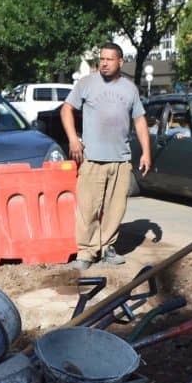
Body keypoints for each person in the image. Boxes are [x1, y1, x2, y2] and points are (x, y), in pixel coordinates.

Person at [61, 43, 151, 270]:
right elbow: (66, 109)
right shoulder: (86, 84)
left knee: (115, 208)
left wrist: (146, 153)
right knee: (88, 208)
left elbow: (139, 120)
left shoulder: (130, 89)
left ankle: (108, 246)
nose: (104, 63)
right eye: (102, 58)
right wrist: (73, 139)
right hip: (92, 159)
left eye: (109, 59)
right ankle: (86, 251)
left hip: (120, 160)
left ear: (120, 62)